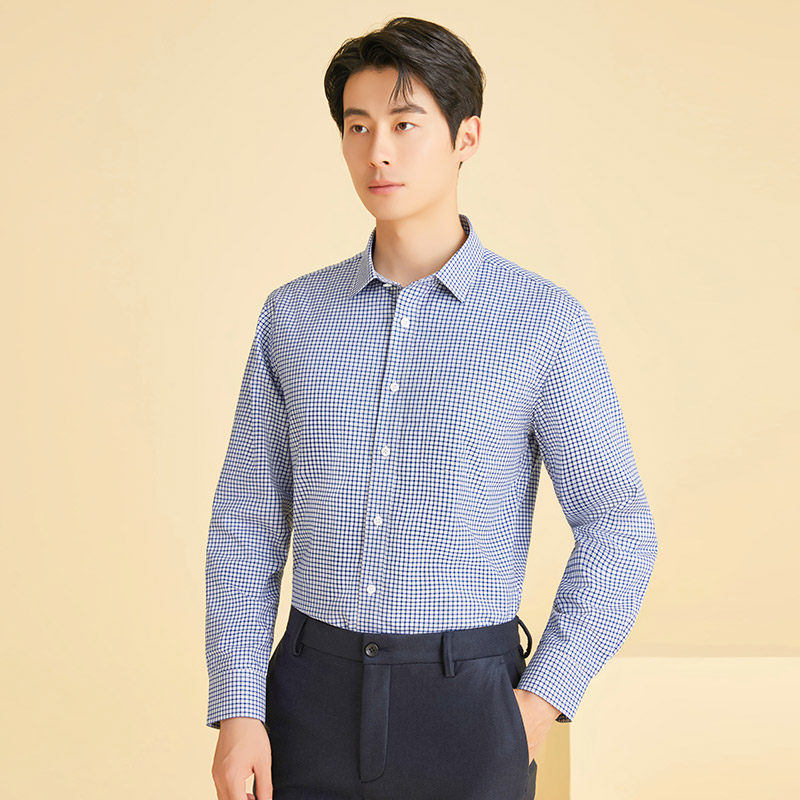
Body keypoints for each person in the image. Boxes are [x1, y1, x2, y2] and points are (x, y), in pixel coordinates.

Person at [205, 16, 658, 800]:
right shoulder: (294, 316)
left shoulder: (542, 322)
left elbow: (619, 526)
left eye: (405, 124)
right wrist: (240, 706)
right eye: (357, 126)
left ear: (465, 137)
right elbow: (247, 521)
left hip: (470, 703)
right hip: (308, 695)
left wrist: (538, 703)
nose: (377, 151)